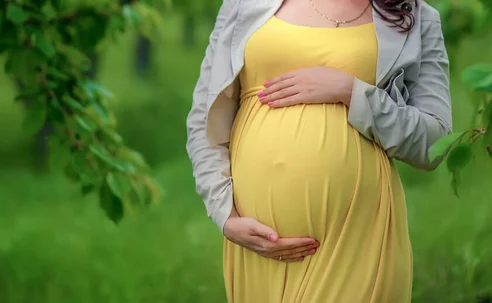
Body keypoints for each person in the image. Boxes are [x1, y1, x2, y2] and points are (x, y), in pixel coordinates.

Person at [185, 0, 452, 302]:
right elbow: (203, 120)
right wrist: (225, 215)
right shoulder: (244, 5)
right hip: (259, 251)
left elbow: (433, 143)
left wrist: (351, 91)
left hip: (358, 239)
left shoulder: (416, 17)